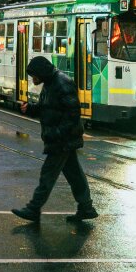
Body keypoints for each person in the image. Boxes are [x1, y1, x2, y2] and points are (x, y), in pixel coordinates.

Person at [11, 56, 98, 223]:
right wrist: (30, 109)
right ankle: (86, 208)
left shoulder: (61, 83)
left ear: (42, 73)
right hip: (62, 138)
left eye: (34, 75)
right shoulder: (51, 83)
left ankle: (33, 209)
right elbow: (49, 109)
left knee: (48, 175)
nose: (33, 79)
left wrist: (57, 133)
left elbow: (73, 113)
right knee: (75, 175)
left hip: (62, 140)